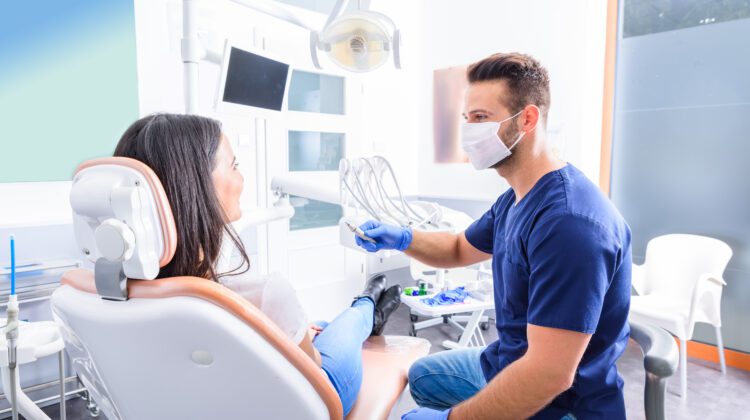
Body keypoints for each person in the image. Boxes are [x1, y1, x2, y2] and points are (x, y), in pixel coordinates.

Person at [355, 53, 632, 419]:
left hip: (563, 403)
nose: (469, 131)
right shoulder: (515, 199)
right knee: (423, 377)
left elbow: (548, 375)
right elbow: (457, 248)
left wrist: (453, 419)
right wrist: (403, 238)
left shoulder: (570, 224)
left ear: (528, 119)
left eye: (481, 118)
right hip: (509, 360)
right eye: (467, 119)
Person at [113, 113, 402, 416]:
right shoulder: (264, 293)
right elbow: (313, 370)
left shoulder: (116, 293)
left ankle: (348, 317)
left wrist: (297, 332)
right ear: (196, 185)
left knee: (321, 326)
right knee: (349, 327)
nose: (242, 177)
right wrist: (305, 344)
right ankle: (368, 305)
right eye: (234, 165)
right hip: (311, 400)